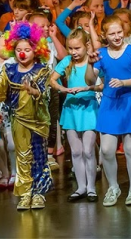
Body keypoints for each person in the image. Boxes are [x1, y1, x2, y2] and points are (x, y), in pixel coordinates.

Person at [0, 21, 54, 211]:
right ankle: (25, 193)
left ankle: (39, 193)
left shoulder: (41, 70)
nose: (22, 54)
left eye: (27, 50)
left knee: (39, 157)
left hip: (38, 121)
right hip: (18, 121)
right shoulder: (8, 71)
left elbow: (45, 94)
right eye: (18, 50)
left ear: (36, 50)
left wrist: (33, 91)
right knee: (22, 157)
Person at [87, 15, 131, 207]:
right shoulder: (101, 54)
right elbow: (90, 80)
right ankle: (113, 187)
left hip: (130, 102)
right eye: (112, 33)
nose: (116, 36)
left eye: (119, 32)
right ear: (104, 35)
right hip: (110, 103)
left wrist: (123, 82)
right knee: (106, 150)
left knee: (130, 148)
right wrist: (90, 63)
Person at [50, 29, 102, 203]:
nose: (73, 52)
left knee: (88, 150)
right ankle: (81, 187)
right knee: (77, 151)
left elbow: (100, 84)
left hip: (88, 109)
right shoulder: (67, 61)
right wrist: (63, 89)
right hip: (71, 109)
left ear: (86, 45)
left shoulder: (92, 61)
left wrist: (87, 88)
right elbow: (52, 79)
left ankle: (92, 187)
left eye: (77, 48)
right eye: (70, 48)